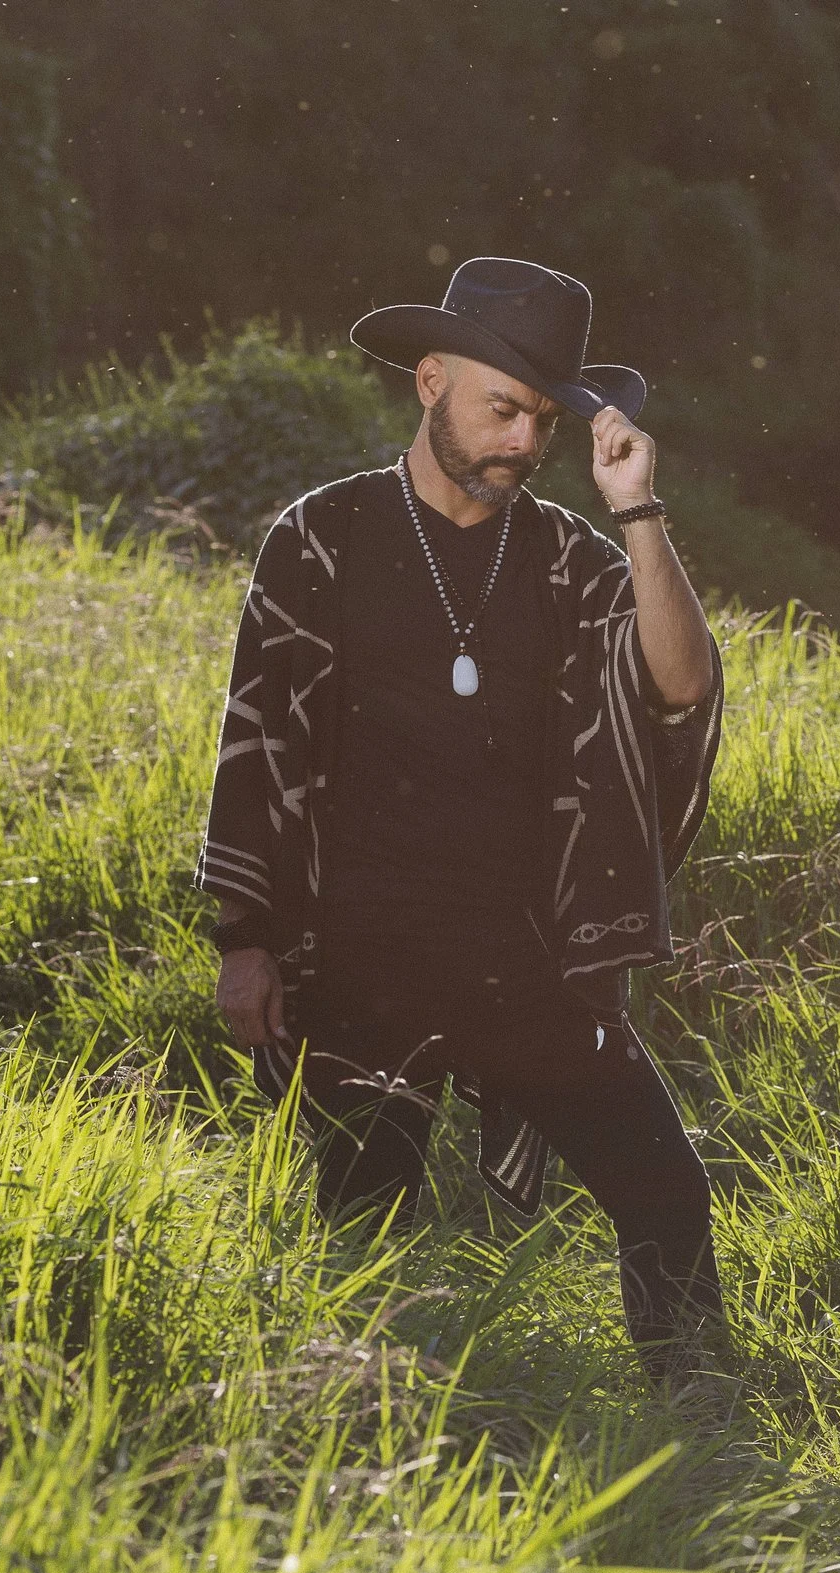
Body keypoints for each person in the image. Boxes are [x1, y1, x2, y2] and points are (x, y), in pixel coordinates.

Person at [193, 258, 726, 1384]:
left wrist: (635, 508)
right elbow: (255, 740)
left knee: (665, 1189)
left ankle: (700, 1415)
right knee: (361, 1231)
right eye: (502, 409)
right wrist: (243, 938)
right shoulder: (322, 537)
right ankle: (359, 1428)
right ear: (430, 380)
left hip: (524, 960)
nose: (523, 443)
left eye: (543, 420)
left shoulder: (567, 559)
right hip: (356, 960)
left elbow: (679, 687)